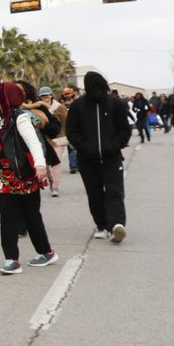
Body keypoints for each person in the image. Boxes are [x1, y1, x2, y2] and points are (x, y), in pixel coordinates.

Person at [0, 80, 58, 274]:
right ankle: (11, 259)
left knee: (32, 217)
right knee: (8, 219)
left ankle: (46, 252)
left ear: (6, 97)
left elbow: (33, 142)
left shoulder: (20, 117)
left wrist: (40, 165)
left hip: (24, 176)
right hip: (4, 178)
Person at [65, 71, 133, 243]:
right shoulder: (78, 106)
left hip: (112, 158)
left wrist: (114, 145)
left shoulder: (115, 104)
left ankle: (116, 225)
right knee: (94, 194)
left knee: (114, 192)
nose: (96, 92)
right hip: (87, 160)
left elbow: (125, 129)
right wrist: (86, 147)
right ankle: (102, 225)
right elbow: (71, 131)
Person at [39, 87, 69, 196]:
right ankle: (51, 182)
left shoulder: (59, 107)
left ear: (51, 95)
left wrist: (68, 137)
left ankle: (56, 187)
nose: (45, 98)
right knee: (46, 164)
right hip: (44, 140)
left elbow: (66, 122)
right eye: (43, 96)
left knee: (56, 163)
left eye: (47, 95)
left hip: (58, 139)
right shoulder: (39, 108)